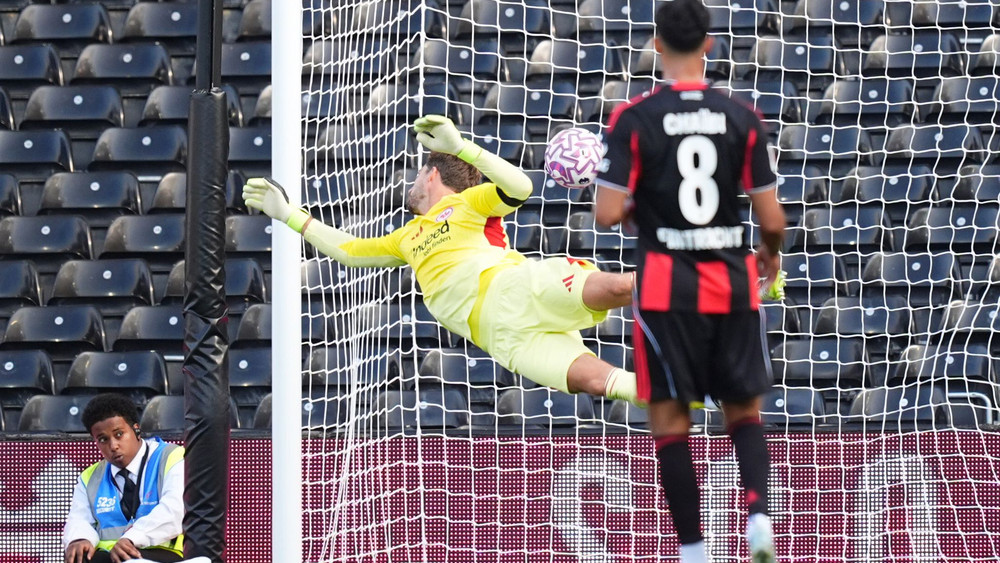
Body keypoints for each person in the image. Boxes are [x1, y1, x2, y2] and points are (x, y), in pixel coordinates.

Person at [242, 114, 640, 405]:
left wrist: (462, 147)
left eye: (416, 174)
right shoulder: (406, 238)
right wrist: (290, 216)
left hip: (514, 289)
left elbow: (520, 186)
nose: (411, 183)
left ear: (431, 174)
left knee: (622, 287)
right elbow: (350, 252)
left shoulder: (469, 203)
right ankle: (689, 394)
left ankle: (689, 283)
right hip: (503, 339)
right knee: (602, 382)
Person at [593, 1, 786, 562]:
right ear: (710, 44)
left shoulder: (632, 118)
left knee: (671, 419)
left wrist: (637, 200)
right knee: (744, 411)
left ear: (656, 43)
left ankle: (694, 549)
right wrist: (768, 254)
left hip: (664, 290)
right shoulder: (740, 116)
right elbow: (771, 219)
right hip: (730, 282)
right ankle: (756, 519)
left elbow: (607, 215)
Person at [63, 393, 185, 563]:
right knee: (77, 556)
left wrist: (132, 538)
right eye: (103, 439)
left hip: (161, 553)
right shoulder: (90, 476)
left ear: (136, 429)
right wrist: (79, 538)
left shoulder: (171, 457)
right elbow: (79, 519)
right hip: (109, 556)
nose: (113, 446)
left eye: (119, 434)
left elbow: (174, 511)